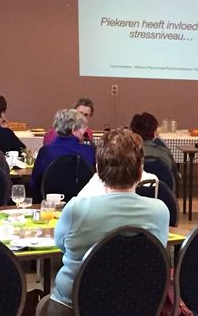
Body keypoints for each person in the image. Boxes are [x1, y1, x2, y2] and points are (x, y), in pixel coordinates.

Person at [36, 129, 169, 313]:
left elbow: (61, 244)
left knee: (43, 305)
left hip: (75, 305)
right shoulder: (160, 211)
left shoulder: (77, 209)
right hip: (136, 303)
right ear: (140, 171)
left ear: (98, 170)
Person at [30, 109, 96, 202]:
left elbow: (34, 184)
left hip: (51, 204)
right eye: (83, 128)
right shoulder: (89, 151)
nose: (85, 133)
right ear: (74, 129)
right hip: (82, 204)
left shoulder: (46, 151)